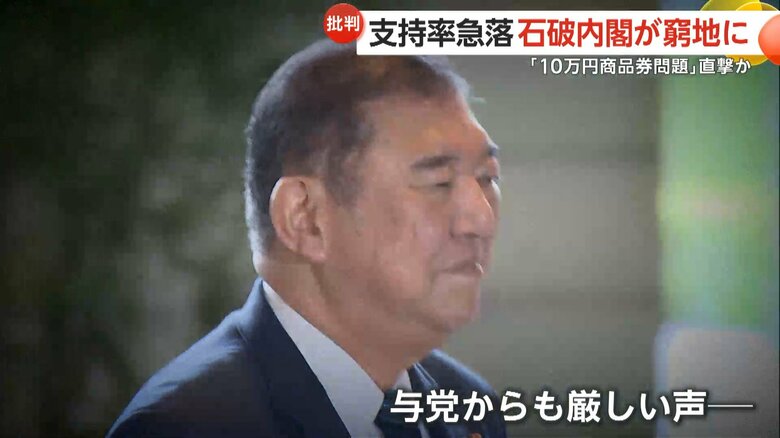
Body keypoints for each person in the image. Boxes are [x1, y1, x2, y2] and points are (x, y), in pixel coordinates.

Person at [108, 39, 505, 438]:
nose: (481, 219)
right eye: (439, 182)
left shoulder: (467, 407)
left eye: (487, 178)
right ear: (305, 218)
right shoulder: (185, 426)